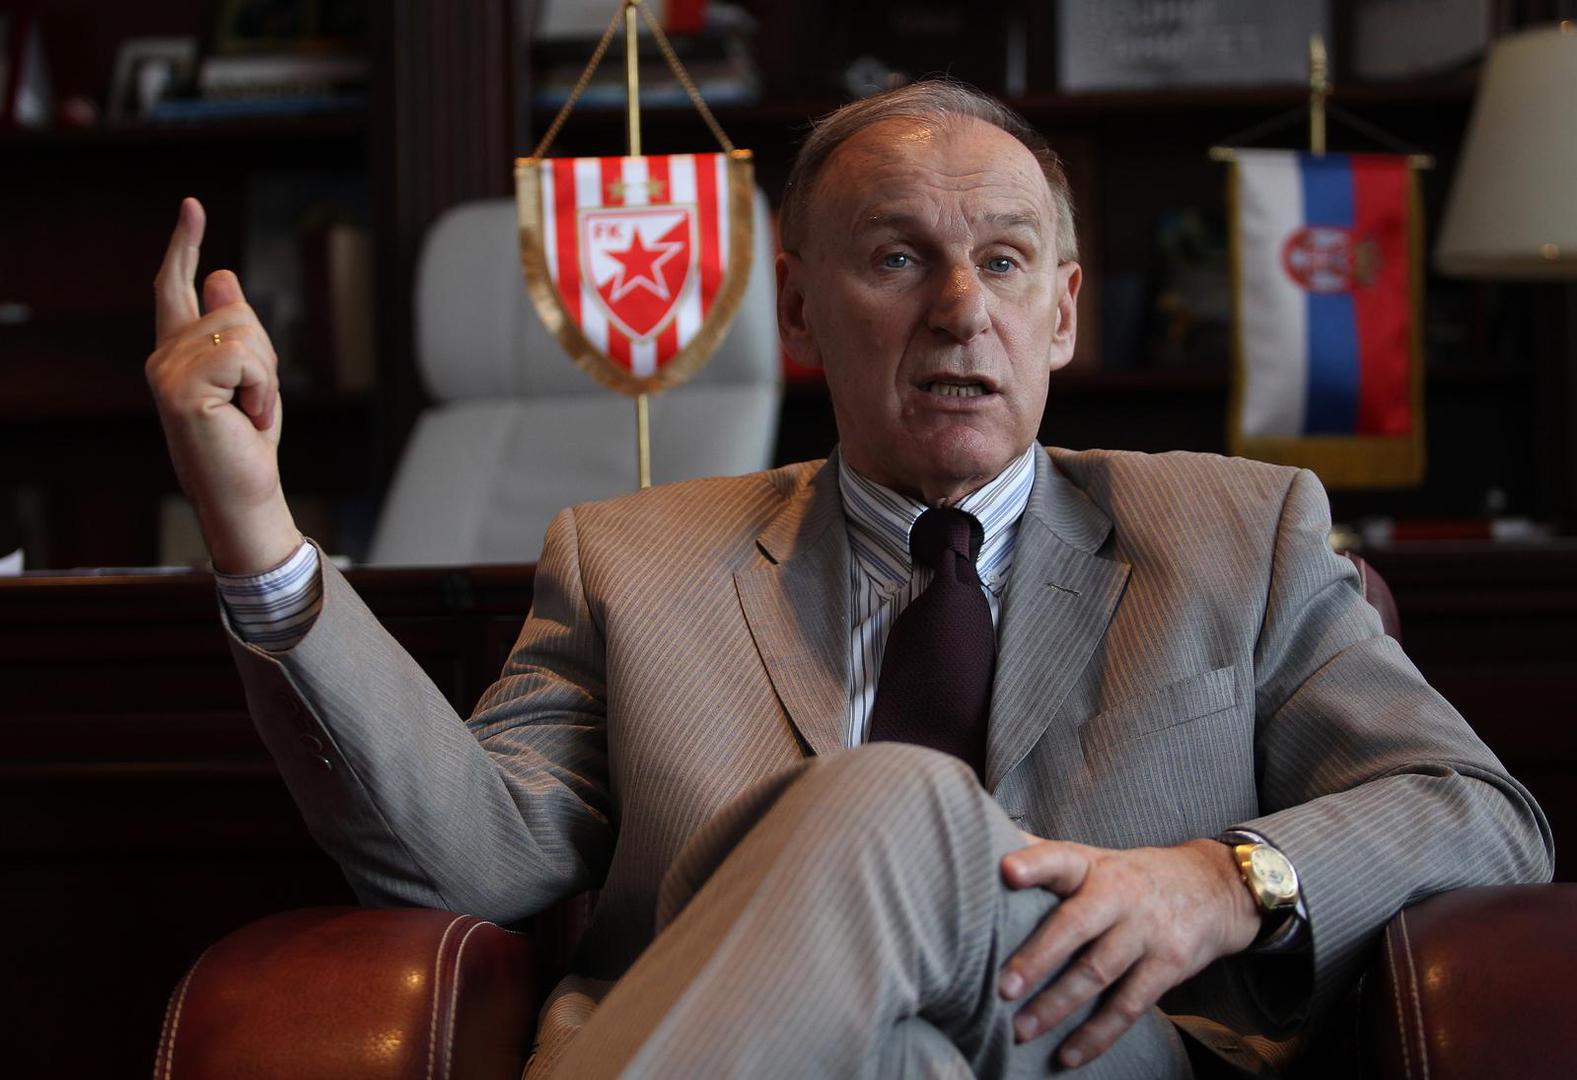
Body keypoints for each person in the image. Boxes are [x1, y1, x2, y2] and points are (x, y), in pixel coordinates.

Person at [146, 81, 1551, 1077]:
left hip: (1101, 1054)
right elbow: (468, 857)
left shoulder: (1239, 531)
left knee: (897, 800)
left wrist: (1224, 879)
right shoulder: (633, 562)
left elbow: (1479, 816)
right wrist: (256, 527)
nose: (961, 310)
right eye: (897, 258)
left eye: (1004, 262)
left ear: (1062, 313)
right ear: (801, 307)